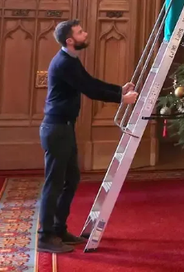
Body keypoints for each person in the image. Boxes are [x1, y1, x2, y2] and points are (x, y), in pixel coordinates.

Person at [38, 20, 139, 255]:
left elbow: (90, 81)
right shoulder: (63, 63)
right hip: (56, 130)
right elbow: (89, 90)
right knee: (54, 184)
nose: (86, 34)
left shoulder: (71, 59)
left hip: (64, 128)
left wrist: (118, 90)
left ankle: (58, 229)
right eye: (81, 32)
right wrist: (121, 100)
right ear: (70, 41)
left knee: (70, 179)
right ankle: (46, 237)